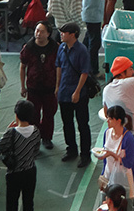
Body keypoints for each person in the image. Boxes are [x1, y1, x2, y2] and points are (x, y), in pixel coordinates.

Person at [55, 21, 92, 167]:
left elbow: (84, 73)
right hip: (64, 92)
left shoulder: (82, 50)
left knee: (83, 124)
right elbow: (59, 66)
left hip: (79, 94)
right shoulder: (62, 48)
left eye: (64, 32)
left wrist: (77, 92)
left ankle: (85, 154)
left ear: (73, 35)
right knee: (67, 123)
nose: (61, 34)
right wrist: (57, 86)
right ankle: (71, 150)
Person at [19, 20, 59, 150]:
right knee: (33, 115)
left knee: (49, 113)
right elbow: (22, 66)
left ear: (48, 33)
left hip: (50, 87)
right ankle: (34, 140)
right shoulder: (28, 47)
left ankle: (47, 138)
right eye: (37, 30)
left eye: (42, 31)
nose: (38, 34)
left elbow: (59, 67)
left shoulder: (55, 48)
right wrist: (22, 86)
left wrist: (58, 86)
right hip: (33, 87)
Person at [82, 0, 121, 76]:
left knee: (89, 38)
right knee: (95, 43)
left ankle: (82, 60)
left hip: (93, 12)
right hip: (92, 13)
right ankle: (93, 71)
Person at [0, 99, 40, 211]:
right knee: (28, 201)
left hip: (14, 173)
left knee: (12, 203)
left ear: (16, 115)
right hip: (30, 171)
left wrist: (9, 129)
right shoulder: (36, 131)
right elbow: (36, 150)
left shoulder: (11, 133)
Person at [99, 105, 134, 206]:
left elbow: (129, 163)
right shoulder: (107, 133)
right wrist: (103, 173)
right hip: (109, 174)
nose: (107, 120)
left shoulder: (128, 138)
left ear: (118, 120)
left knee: (125, 205)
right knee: (104, 203)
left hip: (124, 177)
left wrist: (111, 154)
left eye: (110, 118)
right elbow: (105, 156)